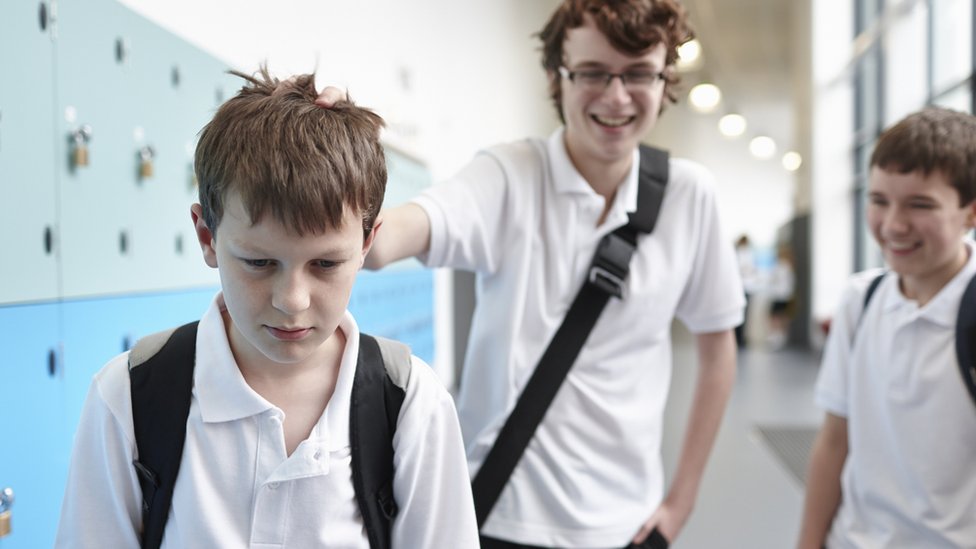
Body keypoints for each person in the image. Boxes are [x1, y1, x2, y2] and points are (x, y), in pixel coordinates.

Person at [320, 1, 743, 546]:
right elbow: (383, 241)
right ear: (556, 77)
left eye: (639, 73)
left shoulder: (690, 197)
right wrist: (335, 158)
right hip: (497, 512)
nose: (617, 97)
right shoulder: (511, 177)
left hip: (627, 523)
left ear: (665, 80)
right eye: (592, 72)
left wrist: (681, 501)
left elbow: (718, 348)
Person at [54, 68, 480, 548]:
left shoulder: (410, 404)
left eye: (325, 263)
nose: (291, 300)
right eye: (258, 262)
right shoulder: (128, 396)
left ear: (367, 243)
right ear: (206, 236)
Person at [798, 107, 976, 548]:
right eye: (878, 201)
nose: (894, 225)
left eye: (920, 205)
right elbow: (834, 442)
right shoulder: (862, 301)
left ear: (970, 214)